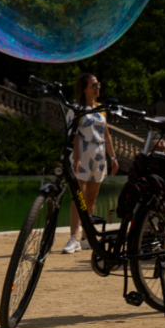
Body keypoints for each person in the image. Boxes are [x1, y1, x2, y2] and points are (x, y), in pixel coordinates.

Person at [61, 73, 119, 254]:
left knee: (91, 198)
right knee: (78, 197)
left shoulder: (101, 109)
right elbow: (74, 135)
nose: (97, 87)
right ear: (84, 88)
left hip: (99, 154)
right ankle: (73, 238)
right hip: (83, 153)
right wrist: (76, 158)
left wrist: (114, 157)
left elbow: (106, 135)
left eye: (98, 84)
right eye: (94, 85)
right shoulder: (77, 109)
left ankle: (87, 238)